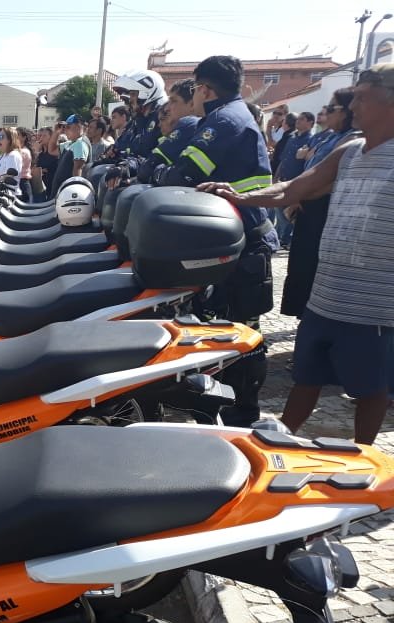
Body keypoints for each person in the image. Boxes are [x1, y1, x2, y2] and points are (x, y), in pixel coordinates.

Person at [202, 63, 394, 443]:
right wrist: (240, 197)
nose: (352, 105)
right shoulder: (349, 151)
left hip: (372, 307)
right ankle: (279, 442)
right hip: (324, 298)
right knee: (306, 378)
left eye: (362, 97)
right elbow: (293, 189)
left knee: (371, 390)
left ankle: (362, 459)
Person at [153, 55, 280, 425]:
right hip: (229, 237)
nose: (193, 97)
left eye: (195, 90)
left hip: (244, 240)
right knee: (223, 325)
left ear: (206, 90)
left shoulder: (225, 121)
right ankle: (225, 403)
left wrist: (158, 175)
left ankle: (243, 413)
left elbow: (184, 174)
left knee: (242, 332)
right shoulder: (226, 116)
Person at [278, 88, 360, 317]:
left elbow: (331, 178)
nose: (326, 113)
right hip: (309, 205)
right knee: (302, 264)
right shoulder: (329, 136)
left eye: (331, 108)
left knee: (313, 265)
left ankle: (311, 316)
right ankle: (302, 314)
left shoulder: (352, 139)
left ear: (346, 111)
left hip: (324, 209)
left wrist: (299, 196)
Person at [137, 78, 199, 183]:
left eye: (173, 101)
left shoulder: (189, 125)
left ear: (192, 104)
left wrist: (158, 172)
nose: (167, 108)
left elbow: (147, 169)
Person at [273, 112, 316, 247]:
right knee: (279, 210)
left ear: (310, 123)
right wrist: (276, 177)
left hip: (295, 181)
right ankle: (282, 237)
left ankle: (285, 239)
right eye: (298, 119)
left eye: (302, 119)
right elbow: (284, 159)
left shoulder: (310, 140)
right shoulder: (292, 138)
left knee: (289, 212)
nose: (298, 121)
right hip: (283, 179)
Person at [0, 126, 23, 191]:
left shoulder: (13, 155)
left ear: (9, 140)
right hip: (0, 193)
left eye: (1, 137)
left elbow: (9, 177)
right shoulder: (2, 156)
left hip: (11, 194)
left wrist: (0, 179)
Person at [17, 128, 34, 202]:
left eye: (18, 135)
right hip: (19, 183)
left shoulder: (24, 151)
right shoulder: (17, 151)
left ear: (24, 138)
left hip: (22, 184)